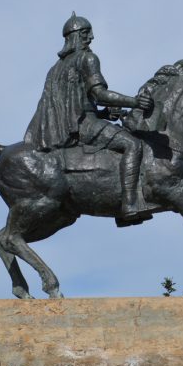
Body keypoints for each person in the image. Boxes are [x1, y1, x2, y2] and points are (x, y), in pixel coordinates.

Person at [24, 12, 153, 222]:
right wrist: (135, 101)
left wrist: (101, 113)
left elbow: (73, 104)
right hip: (85, 125)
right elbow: (99, 94)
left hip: (73, 125)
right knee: (132, 144)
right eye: (85, 33)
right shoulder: (88, 58)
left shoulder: (54, 69)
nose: (90, 38)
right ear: (75, 36)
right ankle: (129, 204)